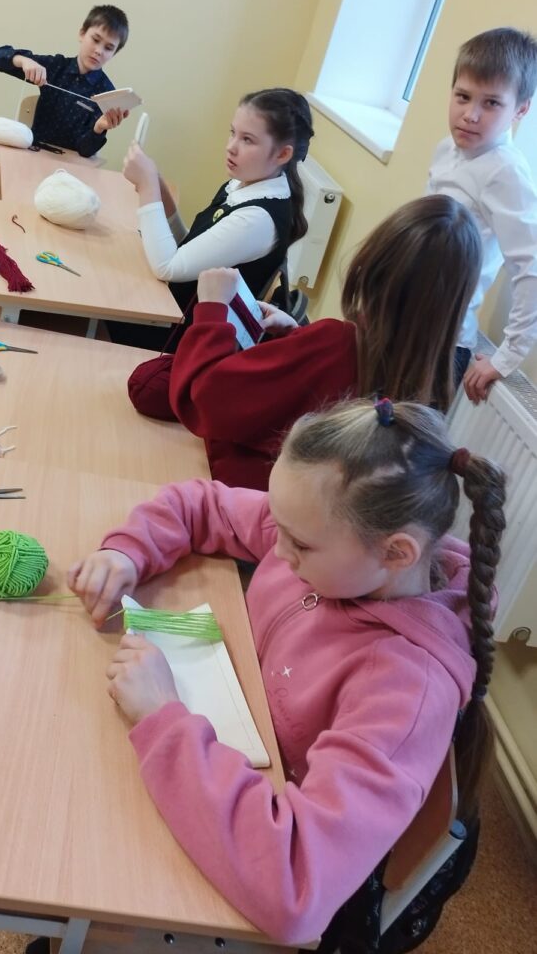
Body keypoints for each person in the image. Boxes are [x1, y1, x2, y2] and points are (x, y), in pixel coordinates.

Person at [61, 397, 505, 949]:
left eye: (298, 543)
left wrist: (162, 719)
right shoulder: (331, 543)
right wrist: (128, 553)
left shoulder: (405, 688)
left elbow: (294, 888)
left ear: (396, 553)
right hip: (238, 755)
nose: (275, 548)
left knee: (87, 858)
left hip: (275, 856)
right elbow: (206, 504)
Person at [158, 194, 482, 488]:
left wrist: (212, 309)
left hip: (241, 504)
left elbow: (204, 402)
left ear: (371, 266)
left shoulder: (337, 342)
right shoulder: (428, 386)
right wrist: (297, 336)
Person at [111, 88, 311, 351]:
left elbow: (168, 267)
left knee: (102, 292)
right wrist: (157, 187)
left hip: (181, 340)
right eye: (233, 133)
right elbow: (188, 248)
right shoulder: (242, 184)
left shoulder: (257, 219)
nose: (231, 147)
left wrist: (148, 185)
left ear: (282, 154)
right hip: (166, 310)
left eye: (247, 140)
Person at [426, 27, 537, 403]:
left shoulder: (505, 172)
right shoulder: (446, 149)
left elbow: (531, 267)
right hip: (404, 318)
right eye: (463, 96)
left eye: (491, 103)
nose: (470, 115)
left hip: (443, 343)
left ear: (520, 110)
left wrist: (506, 357)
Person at [0, 4, 130, 158]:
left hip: (71, 164)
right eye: (95, 39)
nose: (99, 51)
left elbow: (85, 151)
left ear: (114, 53)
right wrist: (22, 60)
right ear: (82, 34)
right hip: (35, 153)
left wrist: (99, 128)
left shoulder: (107, 93)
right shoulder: (56, 66)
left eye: (108, 48)